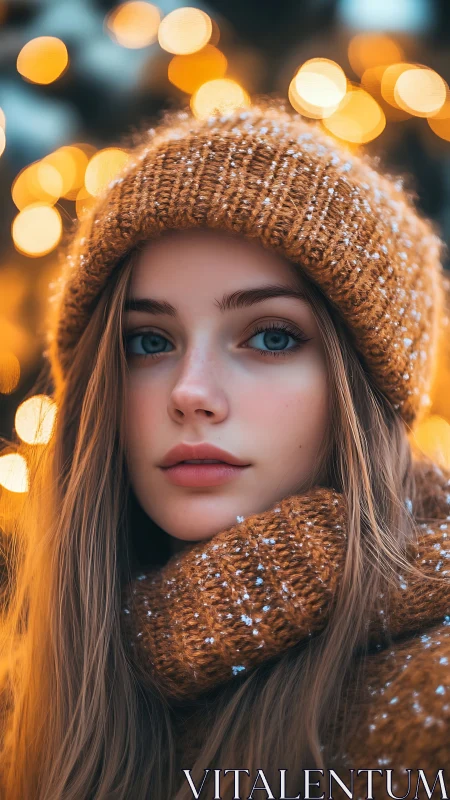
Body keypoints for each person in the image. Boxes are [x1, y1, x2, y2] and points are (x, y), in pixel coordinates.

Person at [0, 95, 450, 800]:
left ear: (364, 392)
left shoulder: (432, 706)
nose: (191, 391)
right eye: (148, 341)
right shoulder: (27, 703)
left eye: (272, 335)